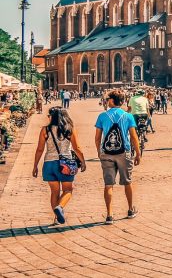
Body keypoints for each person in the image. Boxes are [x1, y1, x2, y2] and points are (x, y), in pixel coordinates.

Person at [32, 107, 86, 225]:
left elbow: (40, 149)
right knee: (68, 190)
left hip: (49, 163)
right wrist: (83, 161)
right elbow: (77, 148)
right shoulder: (69, 129)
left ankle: (56, 219)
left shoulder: (45, 130)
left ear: (53, 117)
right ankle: (60, 207)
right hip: (65, 163)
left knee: (54, 192)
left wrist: (35, 165)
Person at [95, 90, 141, 224]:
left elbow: (97, 138)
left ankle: (109, 215)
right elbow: (133, 137)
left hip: (107, 153)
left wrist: (99, 151)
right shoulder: (128, 116)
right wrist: (138, 153)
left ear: (111, 101)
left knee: (108, 184)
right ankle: (131, 209)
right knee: (127, 182)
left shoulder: (102, 116)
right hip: (124, 152)